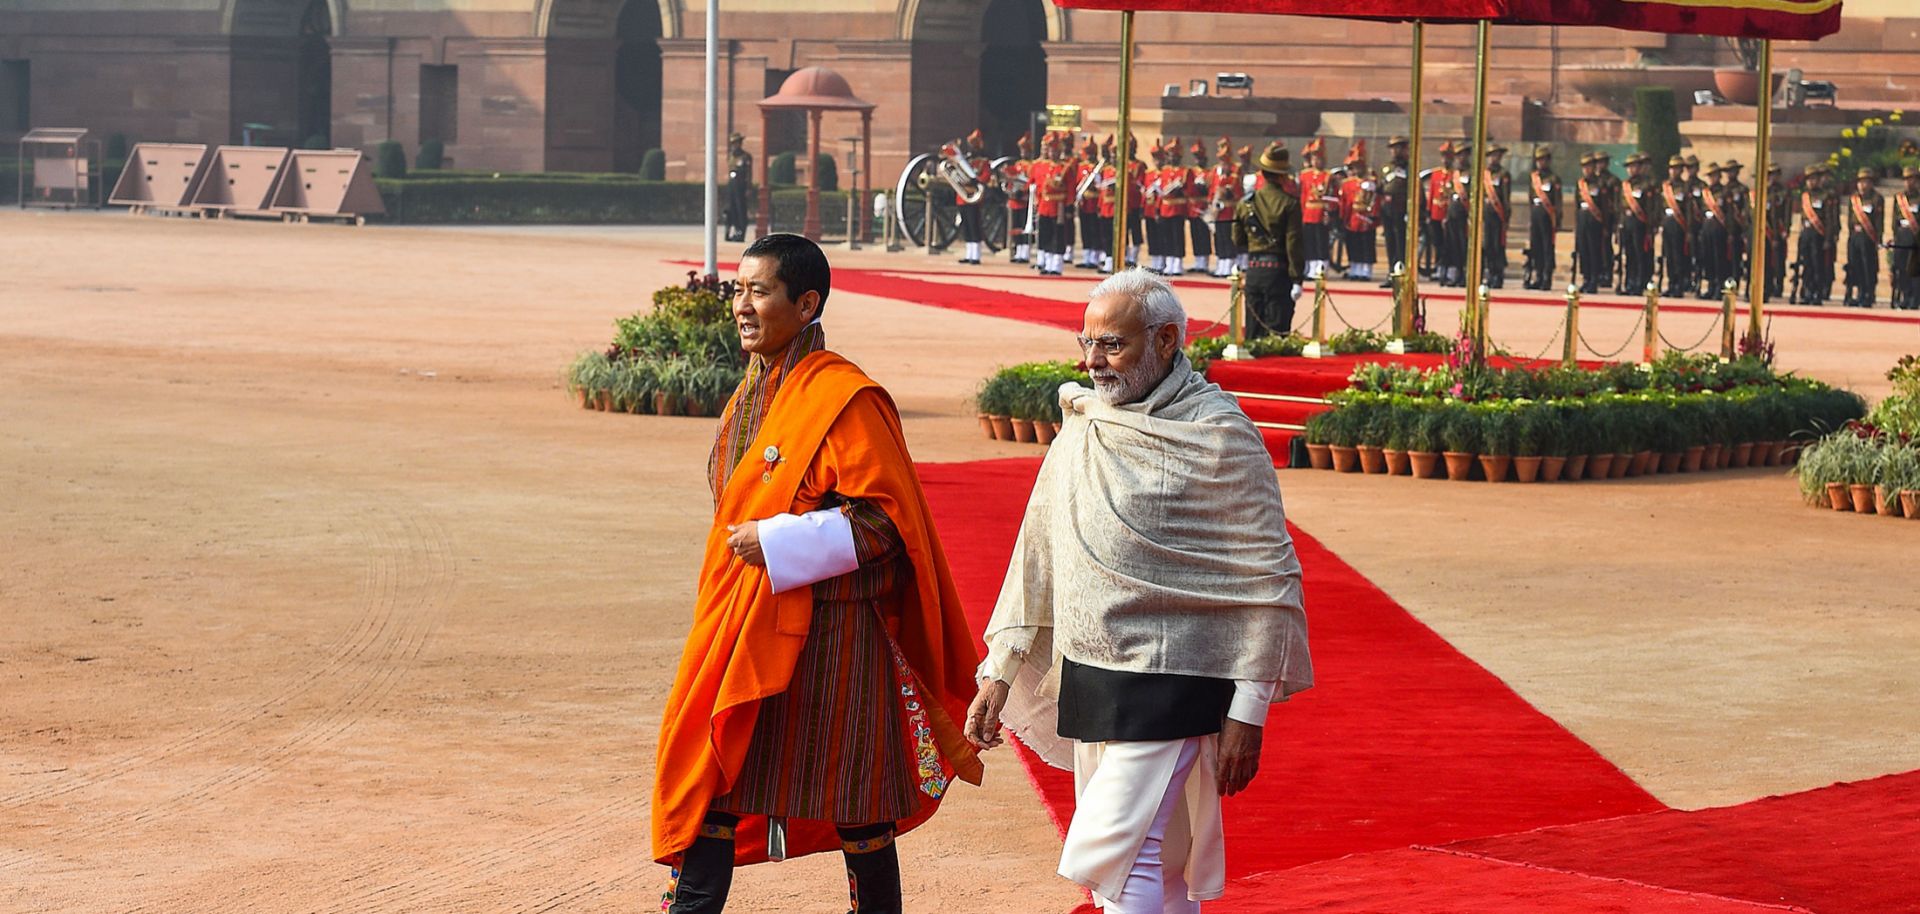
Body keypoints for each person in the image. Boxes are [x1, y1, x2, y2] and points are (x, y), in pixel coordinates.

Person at [652, 233, 985, 914]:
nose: (742, 306)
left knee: (859, 803)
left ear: (806, 304)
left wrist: (780, 541)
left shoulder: (844, 396)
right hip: (747, 623)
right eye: (738, 291)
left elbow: (887, 525)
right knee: (715, 775)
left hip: (831, 638)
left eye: (759, 291)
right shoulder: (754, 391)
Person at [966, 268, 1313, 914]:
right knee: (1158, 858)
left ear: (1166, 341)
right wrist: (1000, 669)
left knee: (1118, 855)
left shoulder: (1220, 433)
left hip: (1180, 674)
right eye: (1087, 342)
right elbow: (1036, 554)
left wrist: (1250, 710)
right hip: (1092, 670)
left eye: (1113, 345)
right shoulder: (1086, 423)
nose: (1093, 361)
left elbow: (1269, 577)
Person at [1232, 143, 1305, 337]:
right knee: (1276, 336)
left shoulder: (1245, 203)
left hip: (1254, 271)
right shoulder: (1290, 204)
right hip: (1279, 274)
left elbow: (1237, 239)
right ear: (1283, 175)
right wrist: (1297, 278)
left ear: (1262, 173)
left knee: (1253, 333)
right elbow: (1293, 244)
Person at [1794, 164, 1836, 305]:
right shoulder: (1805, 196)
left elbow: (1830, 219)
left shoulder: (1825, 196)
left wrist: (1828, 238)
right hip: (1806, 234)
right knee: (1806, 265)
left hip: (1819, 235)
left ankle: (1817, 293)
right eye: (1809, 179)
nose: (1811, 182)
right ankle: (1807, 291)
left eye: (1814, 179)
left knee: (1818, 266)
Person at [1338, 141, 1379, 282]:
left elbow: (1375, 202)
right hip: (1353, 219)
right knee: (1353, 245)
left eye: (1359, 166)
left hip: (1366, 219)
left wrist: (1374, 215)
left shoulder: (1371, 181)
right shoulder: (1347, 184)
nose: (1357, 169)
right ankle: (1355, 268)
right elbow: (1345, 203)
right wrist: (1343, 218)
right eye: (1355, 167)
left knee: (1367, 245)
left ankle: (1366, 270)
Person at [1844, 167, 1885, 308]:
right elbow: (1850, 219)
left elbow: (1879, 221)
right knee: (1855, 266)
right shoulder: (1854, 198)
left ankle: (1869, 293)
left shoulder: (1876, 198)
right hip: (1855, 236)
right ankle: (1859, 293)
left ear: (1871, 183)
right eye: (1860, 182)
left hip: (1868, 237)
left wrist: (1878, 238)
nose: (1862, 185)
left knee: (1868, 266)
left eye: (1865, 182)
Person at [1619, 152, 1657, 296]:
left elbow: (1650, 207)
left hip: (1640, 223)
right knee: (1628, 254)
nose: (1631, 169)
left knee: (1639, 254)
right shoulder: (1625, 185)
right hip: (1627, 223)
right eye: (1629, 167)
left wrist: (1650, 227)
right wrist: (1620, 225)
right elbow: (1620, 207)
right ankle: (1629, 282)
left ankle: (1640, 282)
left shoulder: (1646, 185)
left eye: (1634, 166)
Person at [1525, 145, 1562, 291]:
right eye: (1539, 160)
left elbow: (1558, 201)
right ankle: (1538, 275)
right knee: (1536, 247)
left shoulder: (1554, 179)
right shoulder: (1533, 178)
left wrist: (1557, 219)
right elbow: (1530, 197)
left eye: (1544, 160)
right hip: (1536, 213)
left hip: (1548, 216)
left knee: (1547, 247)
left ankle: (1547, 277)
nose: (1541, 163)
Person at [1660, 155, 1695, 297]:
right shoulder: (1665, 186)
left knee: (1678, 256)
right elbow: (1659, 206)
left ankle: (1679, 285)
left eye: (1677, 169)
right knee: (1668, 256)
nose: (1674, 171)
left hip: (1679, 225)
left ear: (1681, 170)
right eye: (1672, 168)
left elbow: (1689, 210)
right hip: (1667, 224)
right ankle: (1671, 283)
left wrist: (1689, 230)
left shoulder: (1685, 187)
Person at [1420, 141, 1455, 281]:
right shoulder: (1436, 174)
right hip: (1436, 213)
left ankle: (1450, 269)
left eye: (1448, 157)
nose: (1445, 160)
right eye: (1444, 156)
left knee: (1450, 242)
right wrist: (1428, 212)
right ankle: (1440, 268)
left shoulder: (1455, 175)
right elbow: (1431, 194)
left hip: (1449, 213)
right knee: (1438, 242)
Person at [1696, 162, 1731, 298]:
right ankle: (1710, 285)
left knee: (1719, 258)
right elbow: (1699, 211)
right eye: (1710, 176)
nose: (1712, 178)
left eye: (1714, 175)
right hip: (1707, 227)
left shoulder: (1724, 191)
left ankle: (1719, 286)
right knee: (1707, 258)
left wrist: (1729, 230)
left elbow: (1729, 214)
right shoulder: (1706, 193)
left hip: (1719, 228)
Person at [1299, 138, 1333, 280]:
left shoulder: (1328, 176)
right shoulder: (1305, 175)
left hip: (1321, 212)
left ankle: (1321, 267)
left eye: (1318, 158)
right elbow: (1303, 195)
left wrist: (1329, 212)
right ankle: (1310, 268)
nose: (1315, 161)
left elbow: (1332, 197)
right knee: (1309, 242)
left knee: (1321, 242)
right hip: (1308, 213)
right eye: (1313, 158)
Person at [1480, 143, 1513, 289]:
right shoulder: (1484, 175)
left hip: (1498, 216)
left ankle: (1498, 275)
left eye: (1497, 156)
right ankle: (1490, 273)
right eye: (1492, 155)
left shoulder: (1504, 175)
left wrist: (1506, 217)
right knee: (1488, 246)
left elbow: (1506, 198)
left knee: (1498, 245)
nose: (1495, 158)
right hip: (1487, 216)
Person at [1891, 166, 1919, 310]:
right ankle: (1906, 296)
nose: (1909, 182)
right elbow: (1894, 220)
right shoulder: (1899, 198)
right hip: (1902, 238)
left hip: (1915, 239)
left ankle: (1915, 298)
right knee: (1902, 269)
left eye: (1912, 179)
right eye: (1906, 179)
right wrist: (1895, 236)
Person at [1006, 134, 1035, 264]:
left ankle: (1025, 252)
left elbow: (1032, 181)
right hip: (1015, 200)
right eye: (1022, 150)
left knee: (1024, 226)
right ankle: (1018, 250)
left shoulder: (1032, 165)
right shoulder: (1017, 164)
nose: (1023, 153)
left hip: (1025, 200)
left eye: (1026, 151)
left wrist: (1024, 190)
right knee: (1016, 226)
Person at [1763, 163, 1790, 301]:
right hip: (1766, 230)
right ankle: (1768, 285)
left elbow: (1787, 212)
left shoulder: (1783, 192)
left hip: (1778, 229)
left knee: (1779, 260)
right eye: (1770, 175)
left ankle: (1778, 286)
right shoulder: (1764, 191)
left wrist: (1786, 228)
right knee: (1767, 260)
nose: (1772, 178)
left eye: (1775, 174)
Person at [724, 133, 753, 244]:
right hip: (732, 184)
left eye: (736, 143)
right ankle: (733, 230)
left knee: (741, 208)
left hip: (741, 184)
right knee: (731, 208)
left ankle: (741, 231)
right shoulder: (731, 156)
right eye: (733, 143)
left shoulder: (745, 157)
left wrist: (748, 188)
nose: (734, 145)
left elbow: (749, 174)